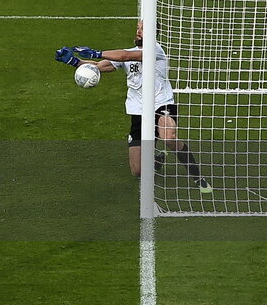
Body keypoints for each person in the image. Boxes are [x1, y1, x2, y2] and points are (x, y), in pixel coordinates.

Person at [55, 20, 212, 193]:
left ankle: (197, 176)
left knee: (168, 136)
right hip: (138, 110)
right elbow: (100, 67)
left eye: (142, 29)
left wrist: (96, 52)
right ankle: (155, 160)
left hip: (161, 103)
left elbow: (124, 56)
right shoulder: (127, 53)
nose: (138, 32)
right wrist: (74, 61)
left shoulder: (155, 50)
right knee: (137, 170)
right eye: (137, 28)